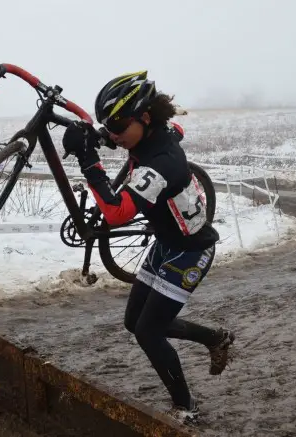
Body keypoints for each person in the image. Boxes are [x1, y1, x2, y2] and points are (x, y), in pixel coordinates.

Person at [62, 71, 235, 425]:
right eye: (108, 125)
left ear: (144, 117)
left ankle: (186, 407)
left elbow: (117, 213)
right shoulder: (148, 134)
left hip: (191, 250)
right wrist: (96, 136)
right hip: (167, 243)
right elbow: (163, 133)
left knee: (148, 331)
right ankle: (215, 338)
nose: (114, 133)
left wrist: (88, 163)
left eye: (119, 125)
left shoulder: (163, 163)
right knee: (134, 322)